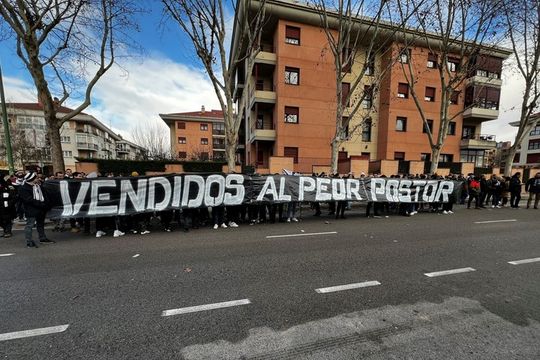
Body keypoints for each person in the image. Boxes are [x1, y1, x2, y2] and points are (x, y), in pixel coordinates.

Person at [19, 172, 54, 248]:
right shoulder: (23, 188)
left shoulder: (39, 186)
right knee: (30, 225)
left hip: (41, 209)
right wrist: (41, 204)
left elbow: (45, 195)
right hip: (31, 210)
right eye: (36, 178)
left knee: (40, 224)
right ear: (31, 179)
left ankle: (43, 238)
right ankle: (29, 241)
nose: (38, 179)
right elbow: (28, 200)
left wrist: (46, 204)